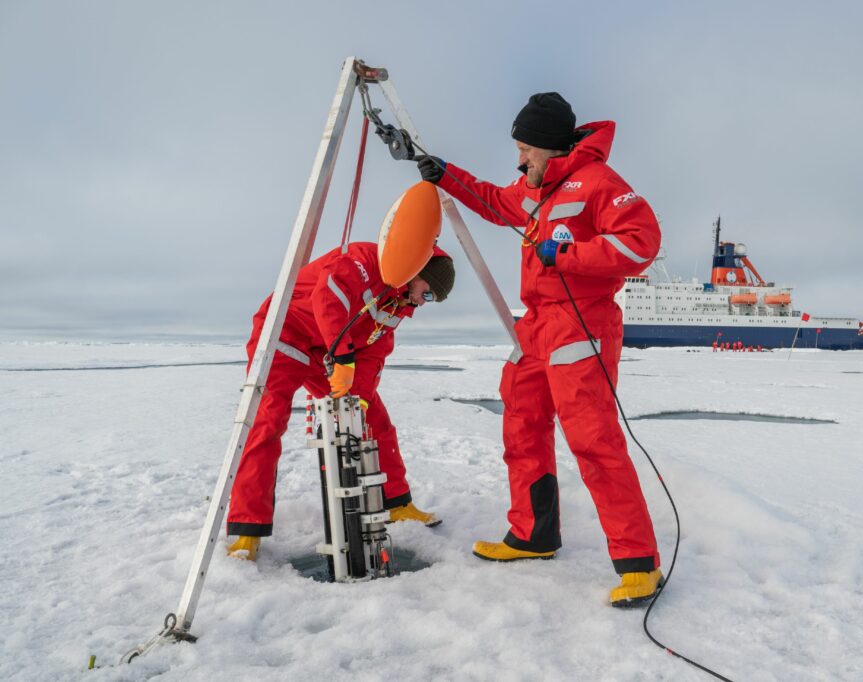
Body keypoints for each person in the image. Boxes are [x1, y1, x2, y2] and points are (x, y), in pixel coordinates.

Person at [415, 93, 662, 606]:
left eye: (526, 149)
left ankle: (639, 563)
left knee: (595, 441)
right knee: (521, 424)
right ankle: (533, 535)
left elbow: (641, 243)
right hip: (536, 325)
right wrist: (443, 173)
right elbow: (490, 200)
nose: (519, 159)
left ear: (550, 146)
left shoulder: (599, 183)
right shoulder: (534, 189)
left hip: (582, 324)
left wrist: (567, 253)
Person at [225, 241, 456, 560]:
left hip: (327, 355)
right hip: (283, 339)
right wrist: (344, 357)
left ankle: (397, 503)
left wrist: (358, 400)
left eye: (430, 300)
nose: (423, 302)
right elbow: (328, 296)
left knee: (375, 419)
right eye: (427, 293)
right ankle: (247, 532)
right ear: (418, 272)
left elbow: (375, 352)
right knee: (266, 425)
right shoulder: (365, 260)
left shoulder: (398, 305)